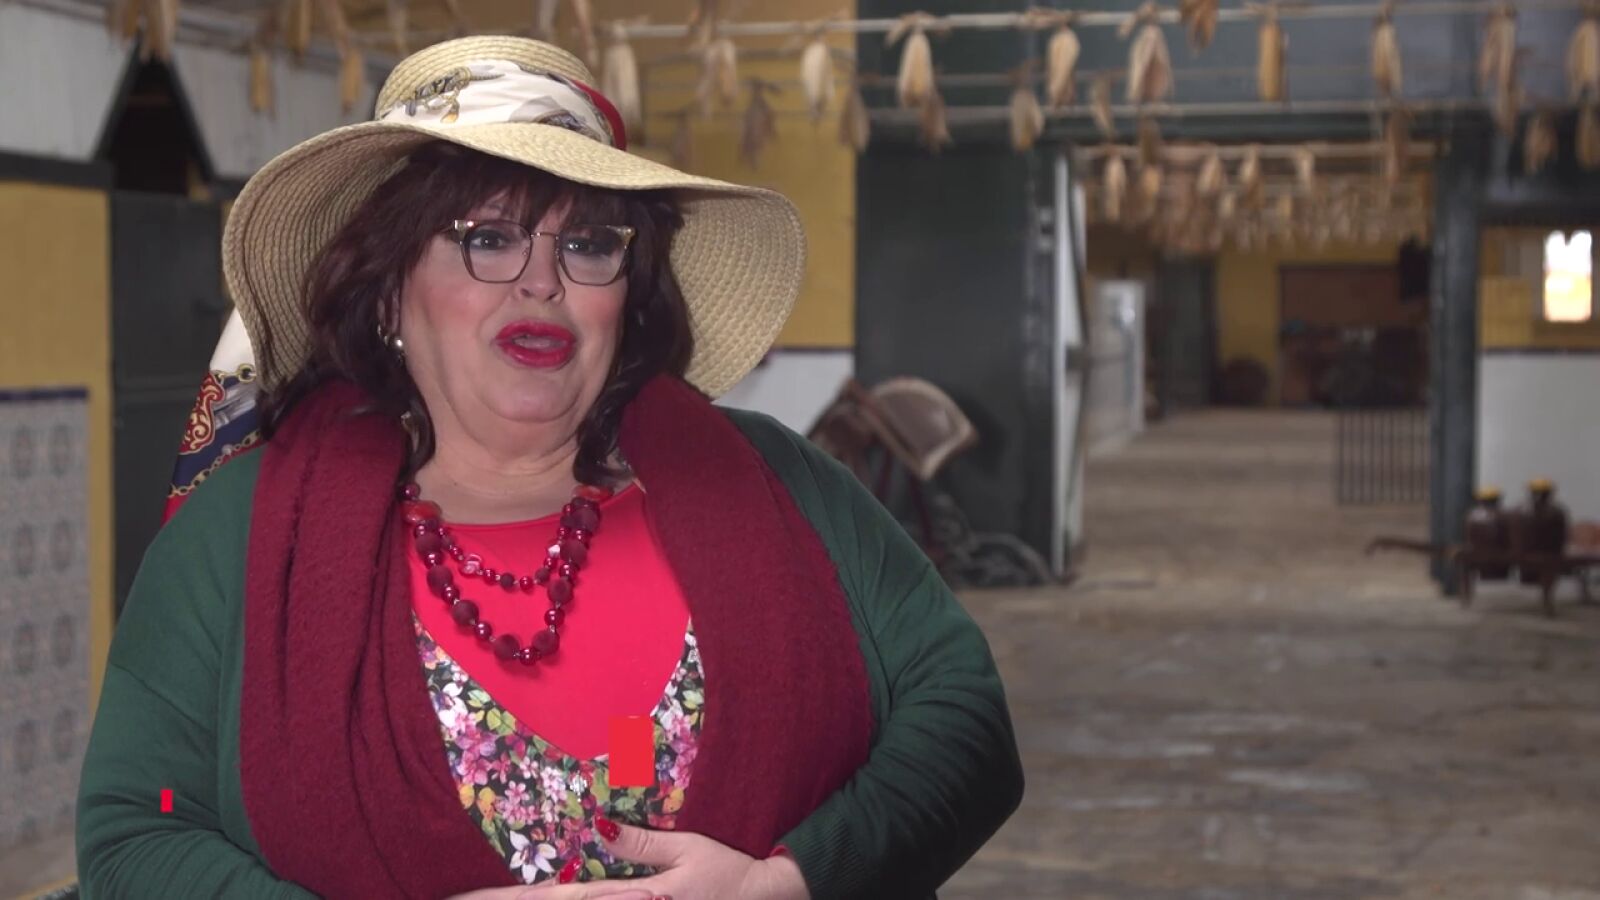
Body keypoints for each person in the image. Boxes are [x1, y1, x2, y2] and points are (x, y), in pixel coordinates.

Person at [76, 36, 1023, 900]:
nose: (543, 280)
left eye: (587, 244)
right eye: (487, 238)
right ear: (389, 295)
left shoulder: (778, 483)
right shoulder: (244, 535)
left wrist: (791, 883)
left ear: (627, 296)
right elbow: (136, 834)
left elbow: (965, 718)